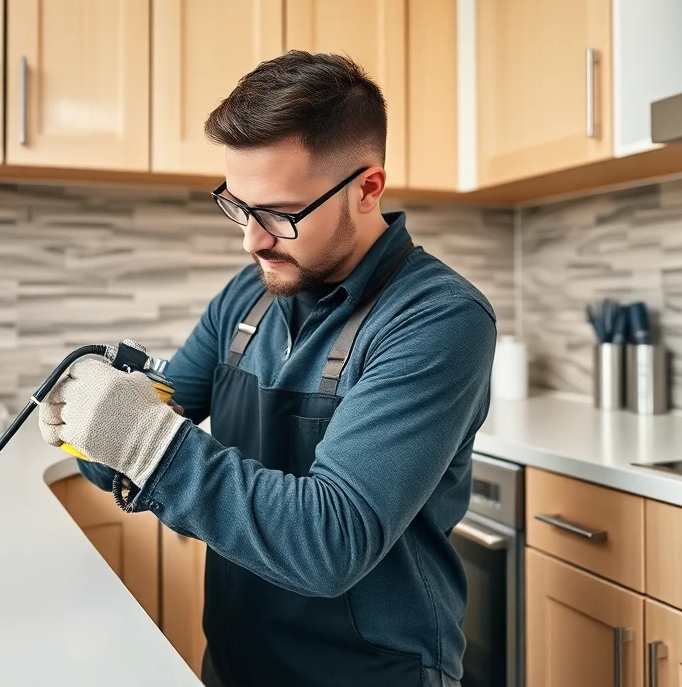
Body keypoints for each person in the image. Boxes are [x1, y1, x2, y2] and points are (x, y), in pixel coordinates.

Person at [38, 51, 497, 687]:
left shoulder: (437, 320)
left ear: (368, 188)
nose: (252, 240)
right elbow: (156, 421)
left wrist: (140, 442)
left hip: (371, 673)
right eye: (238, 206)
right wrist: (89, 424)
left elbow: (330, 543)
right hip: (236, 657)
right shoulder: (246, 296)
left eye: (280, 213)